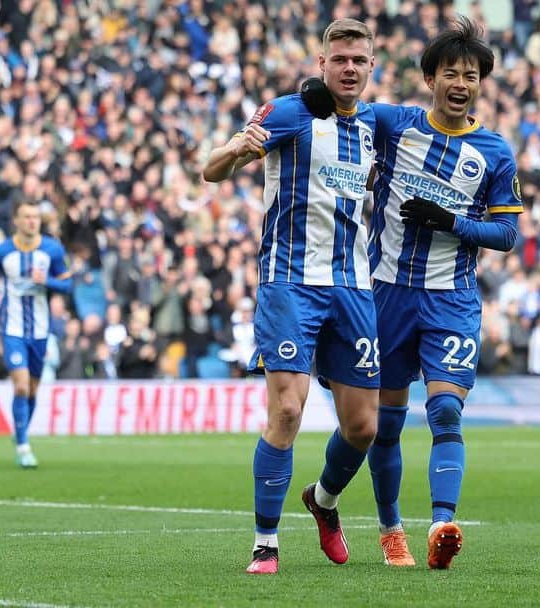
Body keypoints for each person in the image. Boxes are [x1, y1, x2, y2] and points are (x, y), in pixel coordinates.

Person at [305, 16, 523, 569]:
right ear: (430, 78)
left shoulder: (495, 152)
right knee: (385, 423)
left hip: (451, 299)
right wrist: (312, 92)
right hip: (385, 295)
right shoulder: (395, 124)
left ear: (480, 84)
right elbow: (341, 107)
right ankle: (389, 529)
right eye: (450, 72)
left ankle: (443, 522)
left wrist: (451, 221)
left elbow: (507, 233)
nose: (460, 83)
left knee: (447, 411)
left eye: (470, 75)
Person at [201, 19, 380, 575]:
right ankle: (265, 543)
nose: (349, 68)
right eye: (339, 59)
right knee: (286, 409)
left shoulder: (378, 124)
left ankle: (323, 501)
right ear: (322, 63)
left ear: (370, 68)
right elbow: (210, 171)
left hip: (354, 285)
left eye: (359, 60)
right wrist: (235, 148)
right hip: (289, 281)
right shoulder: (287, 113)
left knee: (363, 427)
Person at [0, 200, 73, 469]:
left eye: (36, 216)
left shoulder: (52, 249)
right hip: (12, 328)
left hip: (40, 330)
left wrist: (47, 282)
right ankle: (23, 446)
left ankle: (20, 432)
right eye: (27, 216)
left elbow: (68, 284)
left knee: (32, 389)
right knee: (21, 385)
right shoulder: (2, 250)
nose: (33, 221)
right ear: (17, 220)